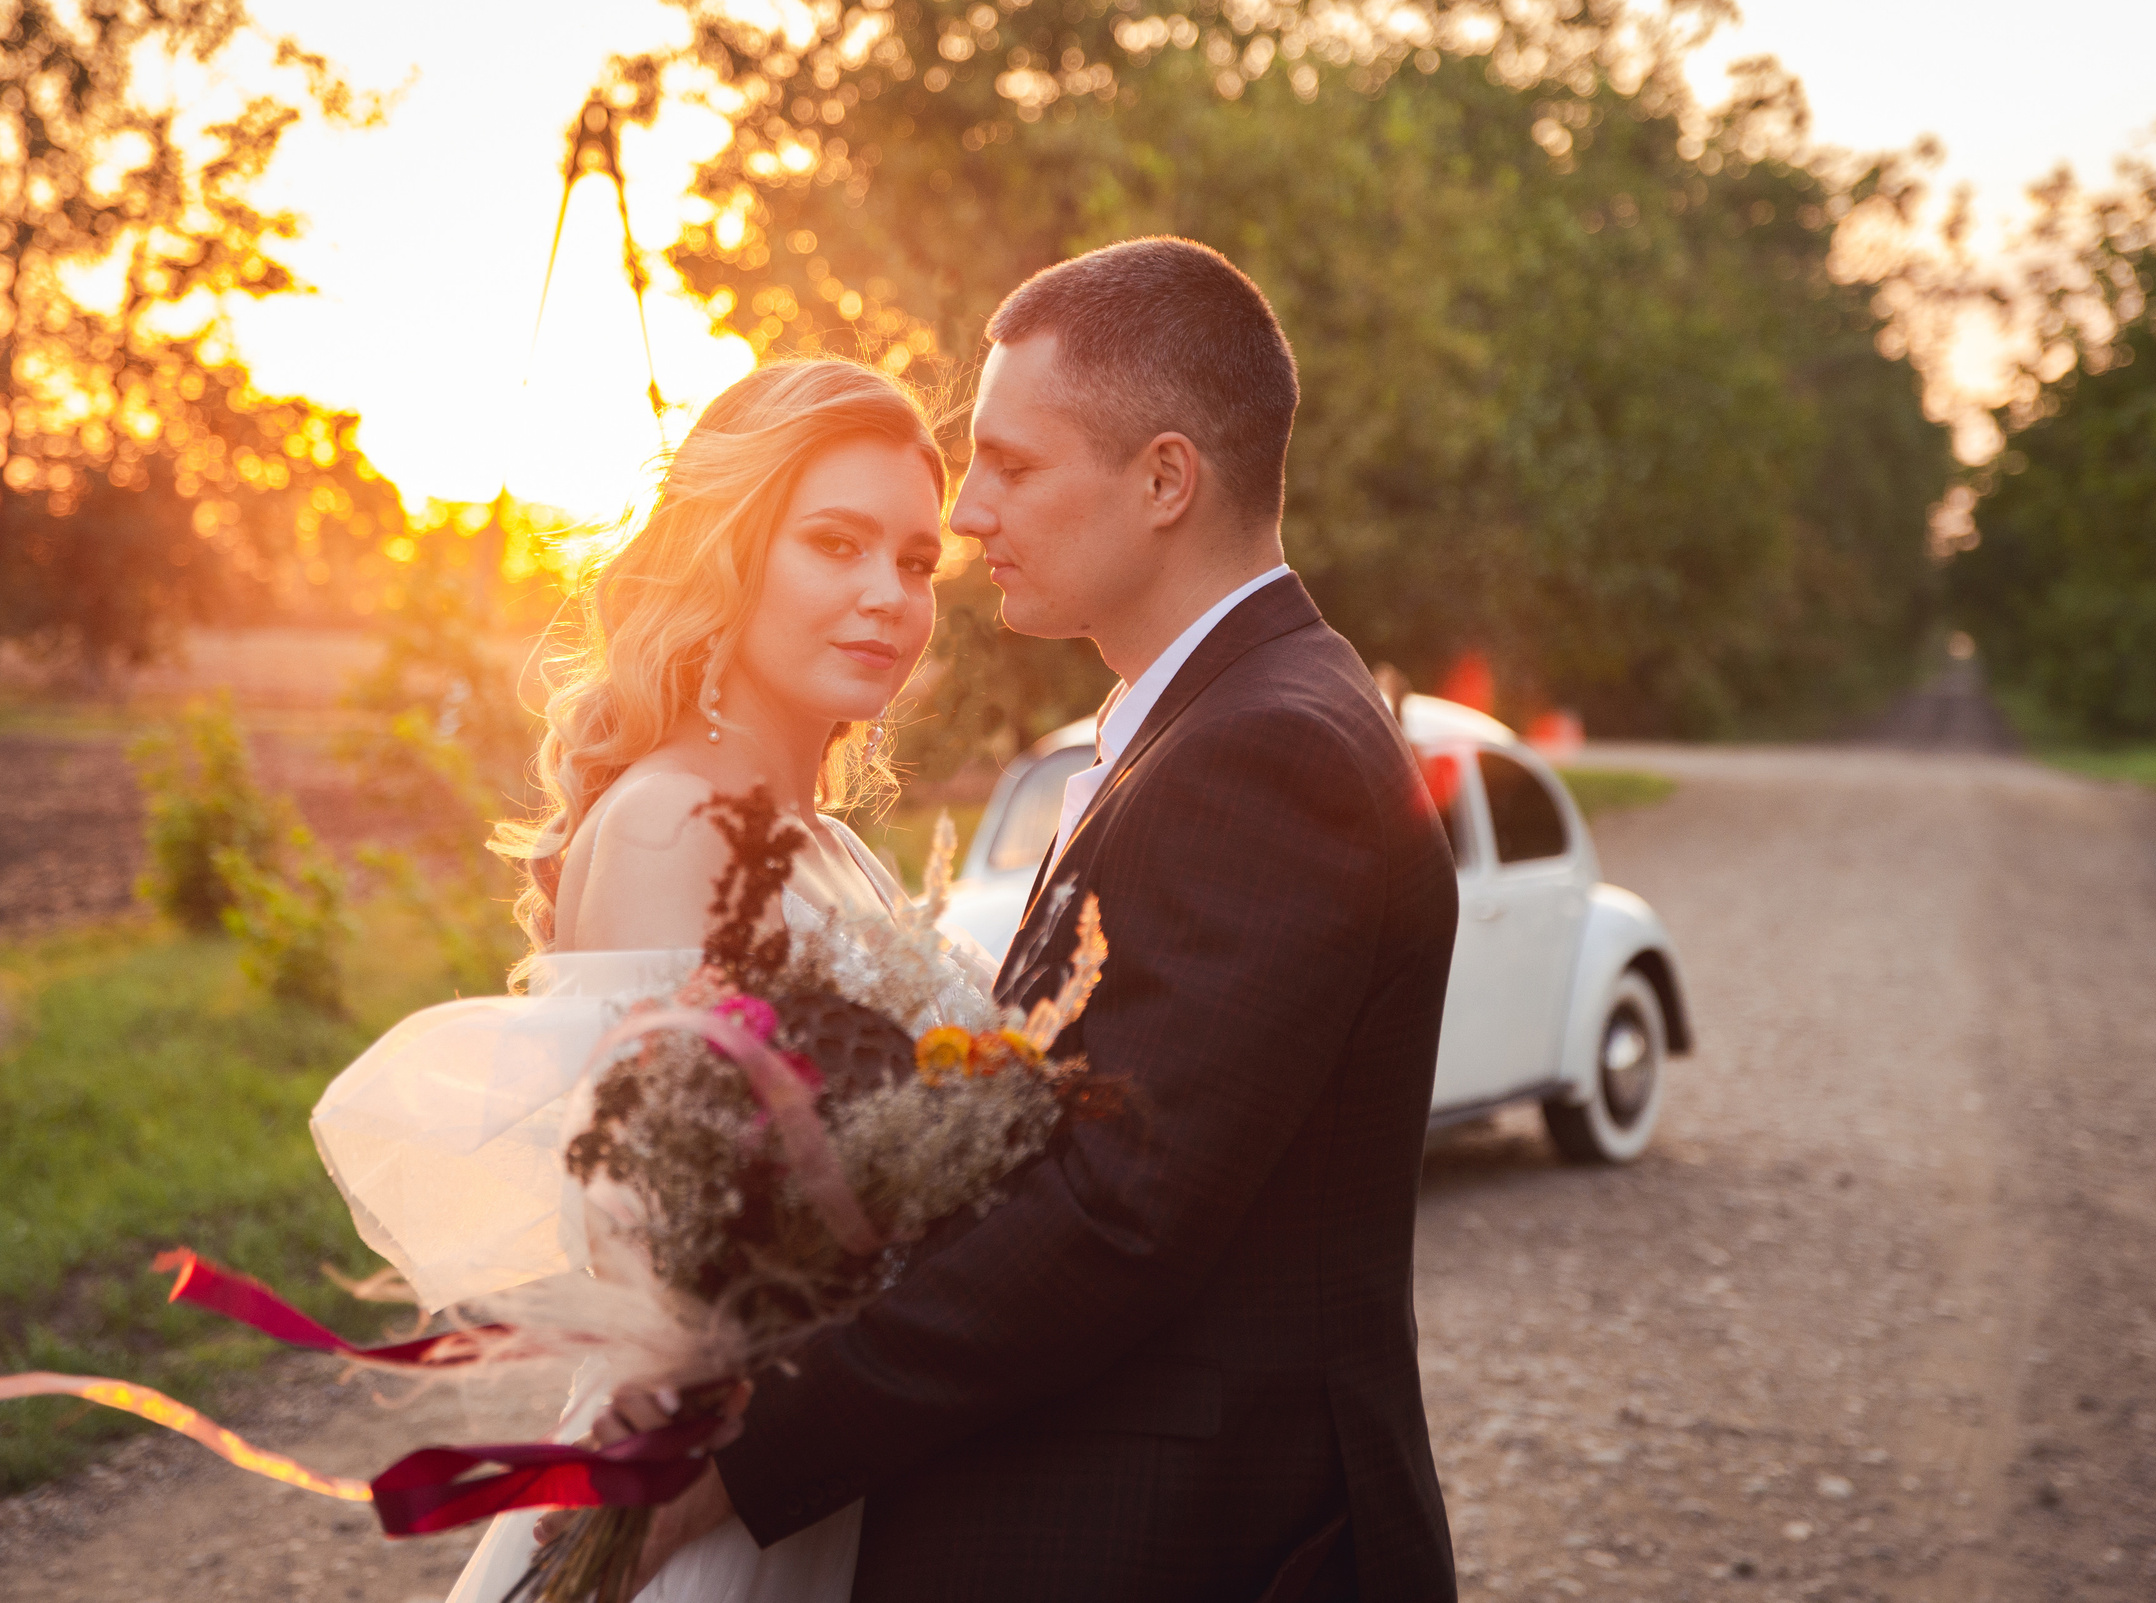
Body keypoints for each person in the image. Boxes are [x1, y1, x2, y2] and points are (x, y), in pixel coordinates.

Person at [606, 237, 1463, 1600]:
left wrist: (741, 1455)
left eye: (1010, 464)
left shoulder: (1265, 750)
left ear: (1166, 479)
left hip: (1200, 1540)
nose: (967, 518)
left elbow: (1117, 1210)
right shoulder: (1202, 727)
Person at [313, 355, 968, 1603]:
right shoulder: (674, 820)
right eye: (836, 543)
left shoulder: (823, 845)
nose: (886, 594)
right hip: (710, 1503)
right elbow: (667, 1244)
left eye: (918, 561)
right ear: (729, 554)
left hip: (834, 1476)